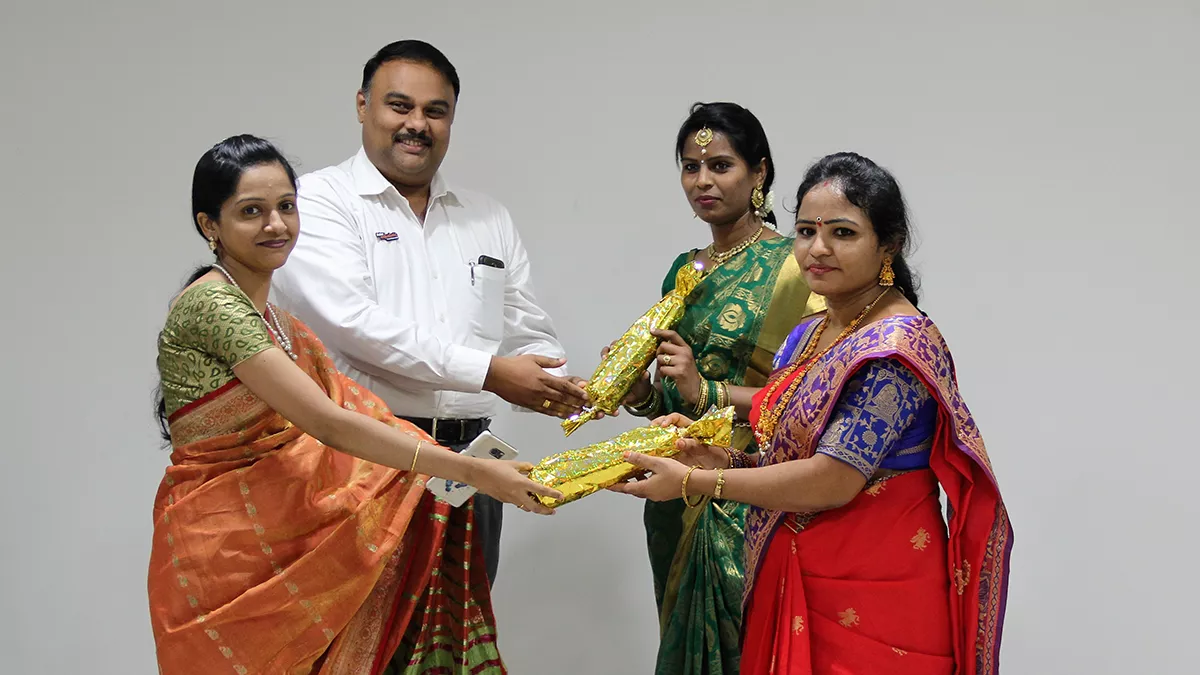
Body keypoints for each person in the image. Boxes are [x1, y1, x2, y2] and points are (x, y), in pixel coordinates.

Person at [149, 135, 560, 675]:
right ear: (210, 225)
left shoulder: (278, 321)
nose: (276, 225)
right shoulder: (212, 304)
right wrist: (468, 469)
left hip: (292, 536)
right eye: (251, 212)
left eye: (286, 207)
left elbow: (359, 412)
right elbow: (327, 422)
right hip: (230, 549)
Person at [611, 152, 1012, 675]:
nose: (817, 249)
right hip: (792, 570)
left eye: (843, 233)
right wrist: (716, 456)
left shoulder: (894, 348)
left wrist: (695, 481)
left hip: (874, 595)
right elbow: (786, 434)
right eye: (805, 231)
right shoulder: (813, 332)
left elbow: (832, 478)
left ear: (887, 245)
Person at [270, 40, 587, 586]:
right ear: (362, 106)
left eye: (435, 112)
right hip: (365, 455)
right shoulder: (318, 201)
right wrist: (492, 373)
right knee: (366, 647)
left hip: (478, 461)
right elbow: (356, 328)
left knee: (463, 647)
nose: (417, 124)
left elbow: (527, 328)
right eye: (400, 106)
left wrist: (564, 388)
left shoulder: (486, 217)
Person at [614, 102, 824, 675]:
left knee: (750, 643)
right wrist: (636, 391)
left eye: (721, 165)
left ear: (759, 173)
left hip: (750, 482)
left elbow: (811, 395)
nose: (703, 181)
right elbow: (671, 398)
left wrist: (705, 388)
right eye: (690, 166)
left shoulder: (795, 267)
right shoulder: (686, 269)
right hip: (675, 486)